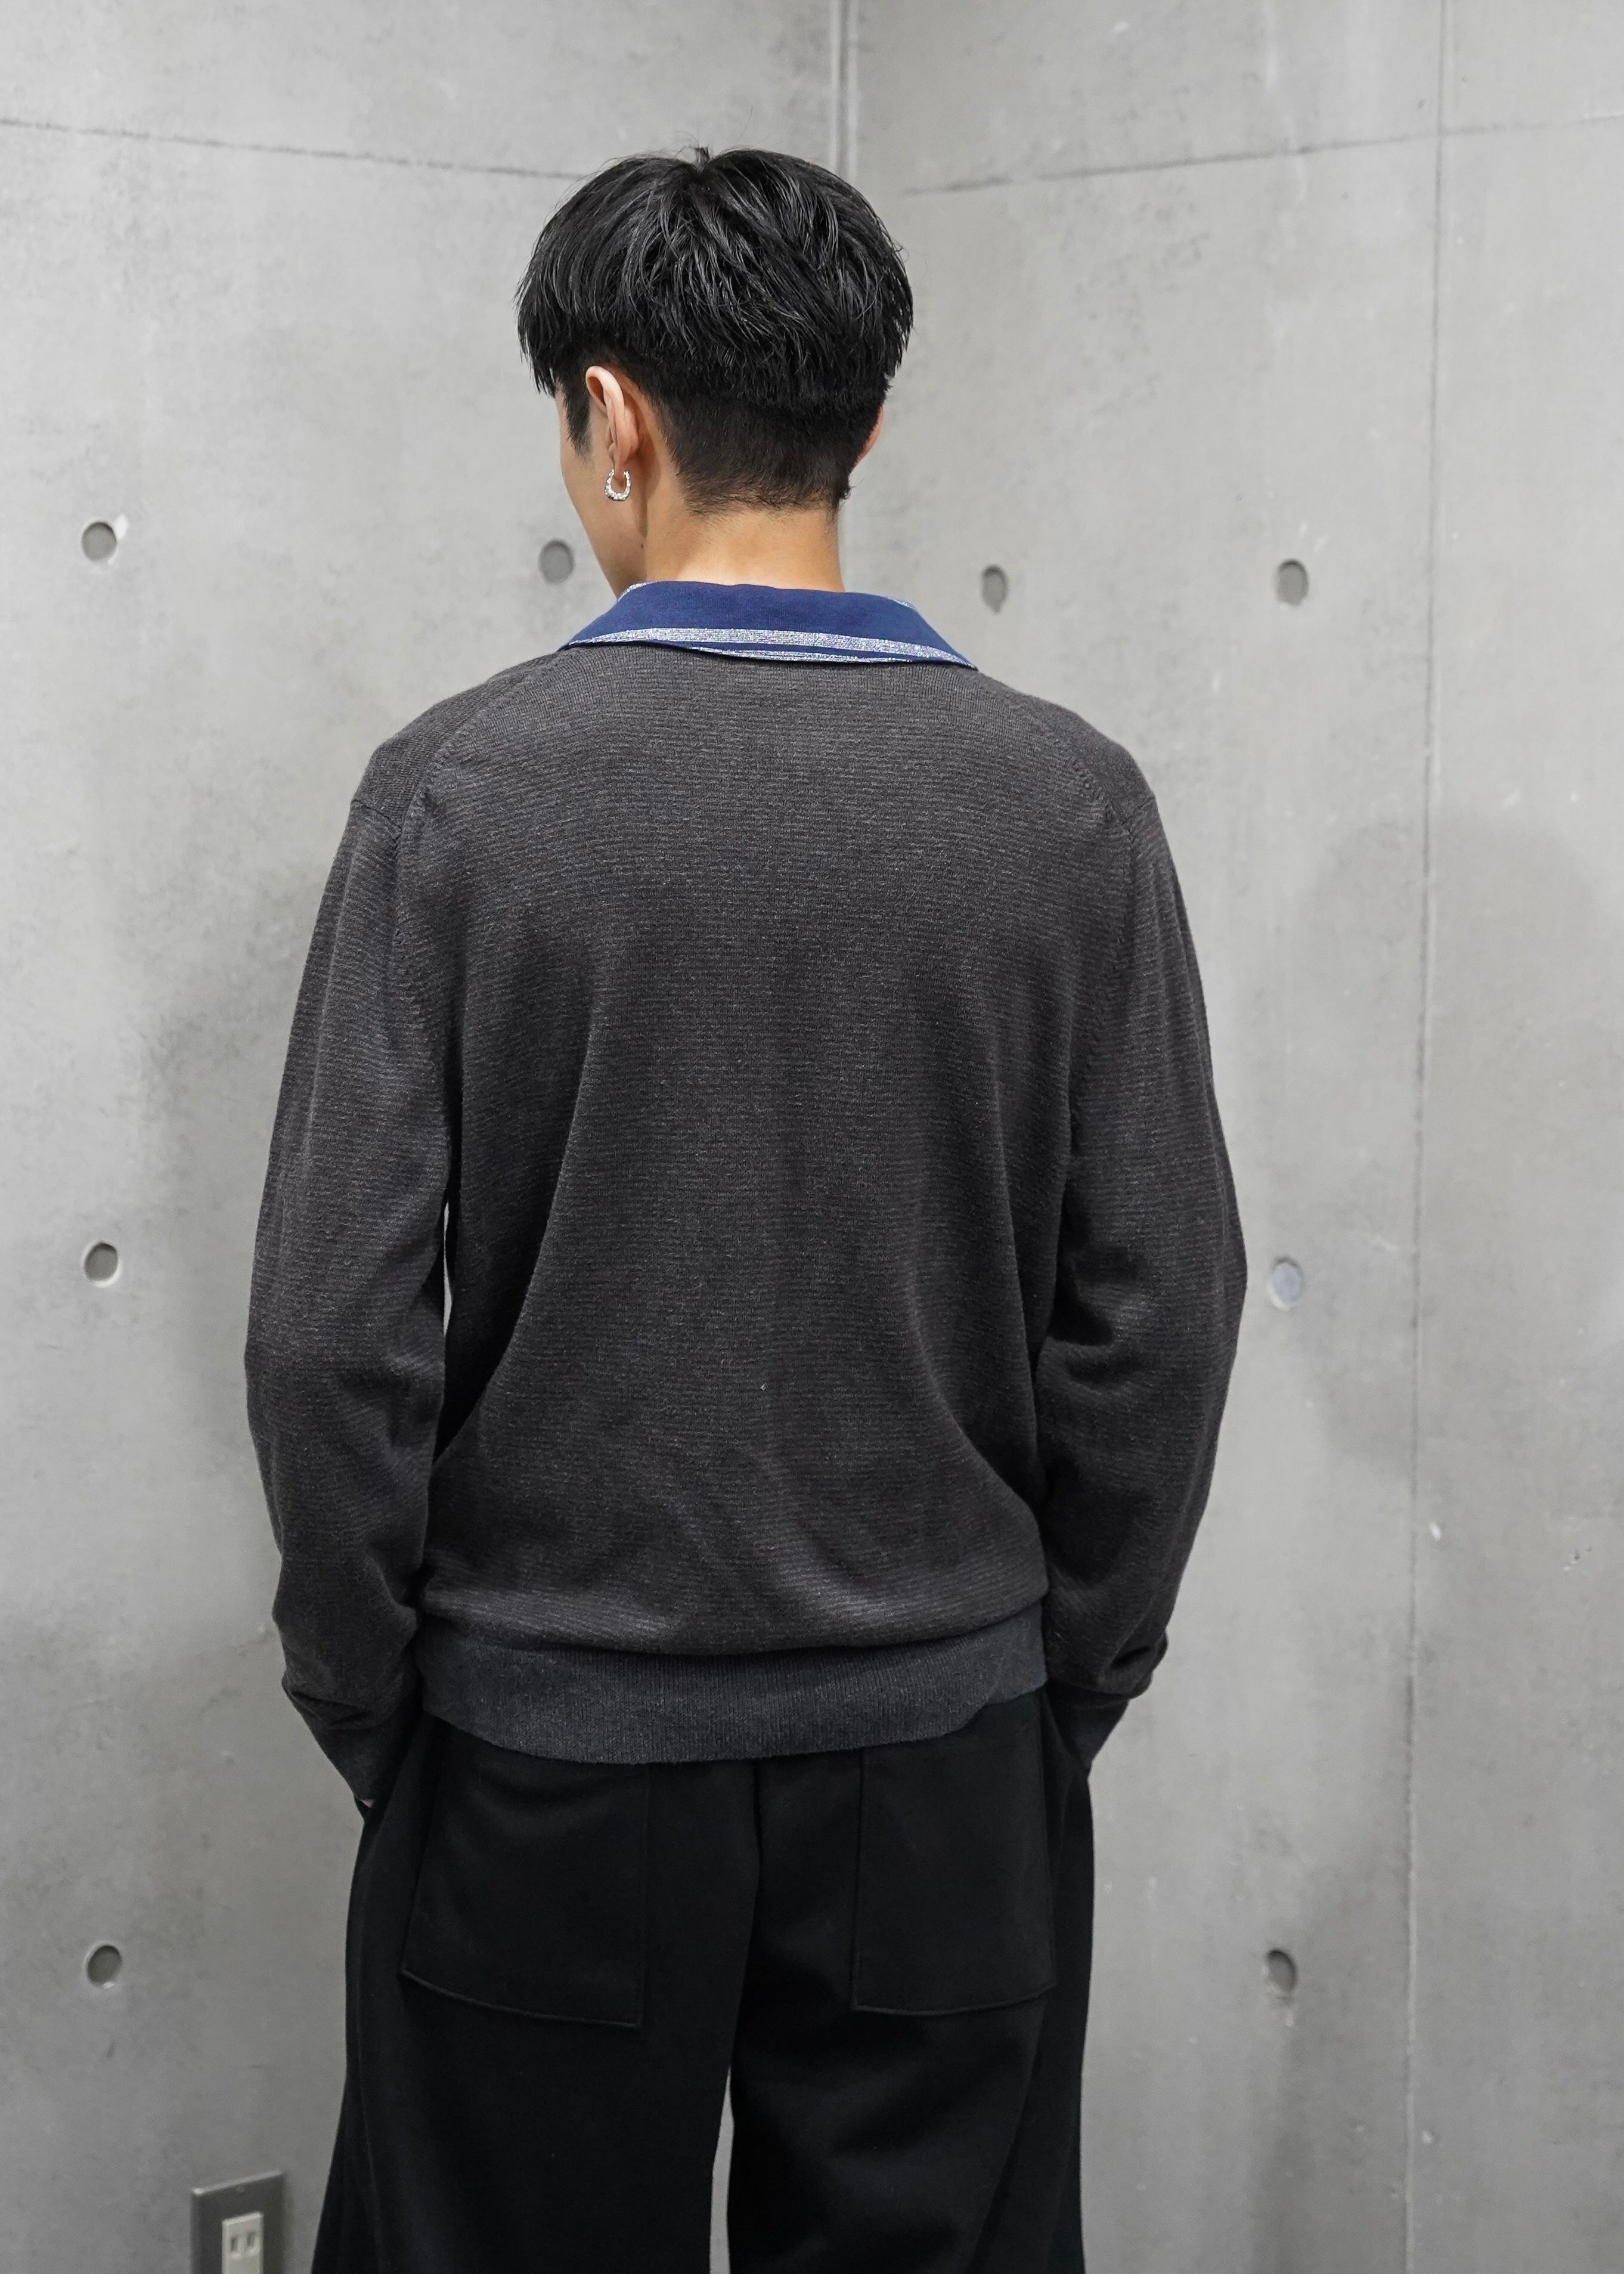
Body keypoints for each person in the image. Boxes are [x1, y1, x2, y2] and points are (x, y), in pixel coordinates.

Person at [244, 144, 1248, 2274]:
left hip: (543, 1747)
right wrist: (1048, 1682)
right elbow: (1162, 1306)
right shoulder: (1068, 803)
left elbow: (332, 1334)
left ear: (609, 418)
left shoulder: (461, 793)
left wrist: (375, 1697)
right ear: (866, 418)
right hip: (944, 1751)